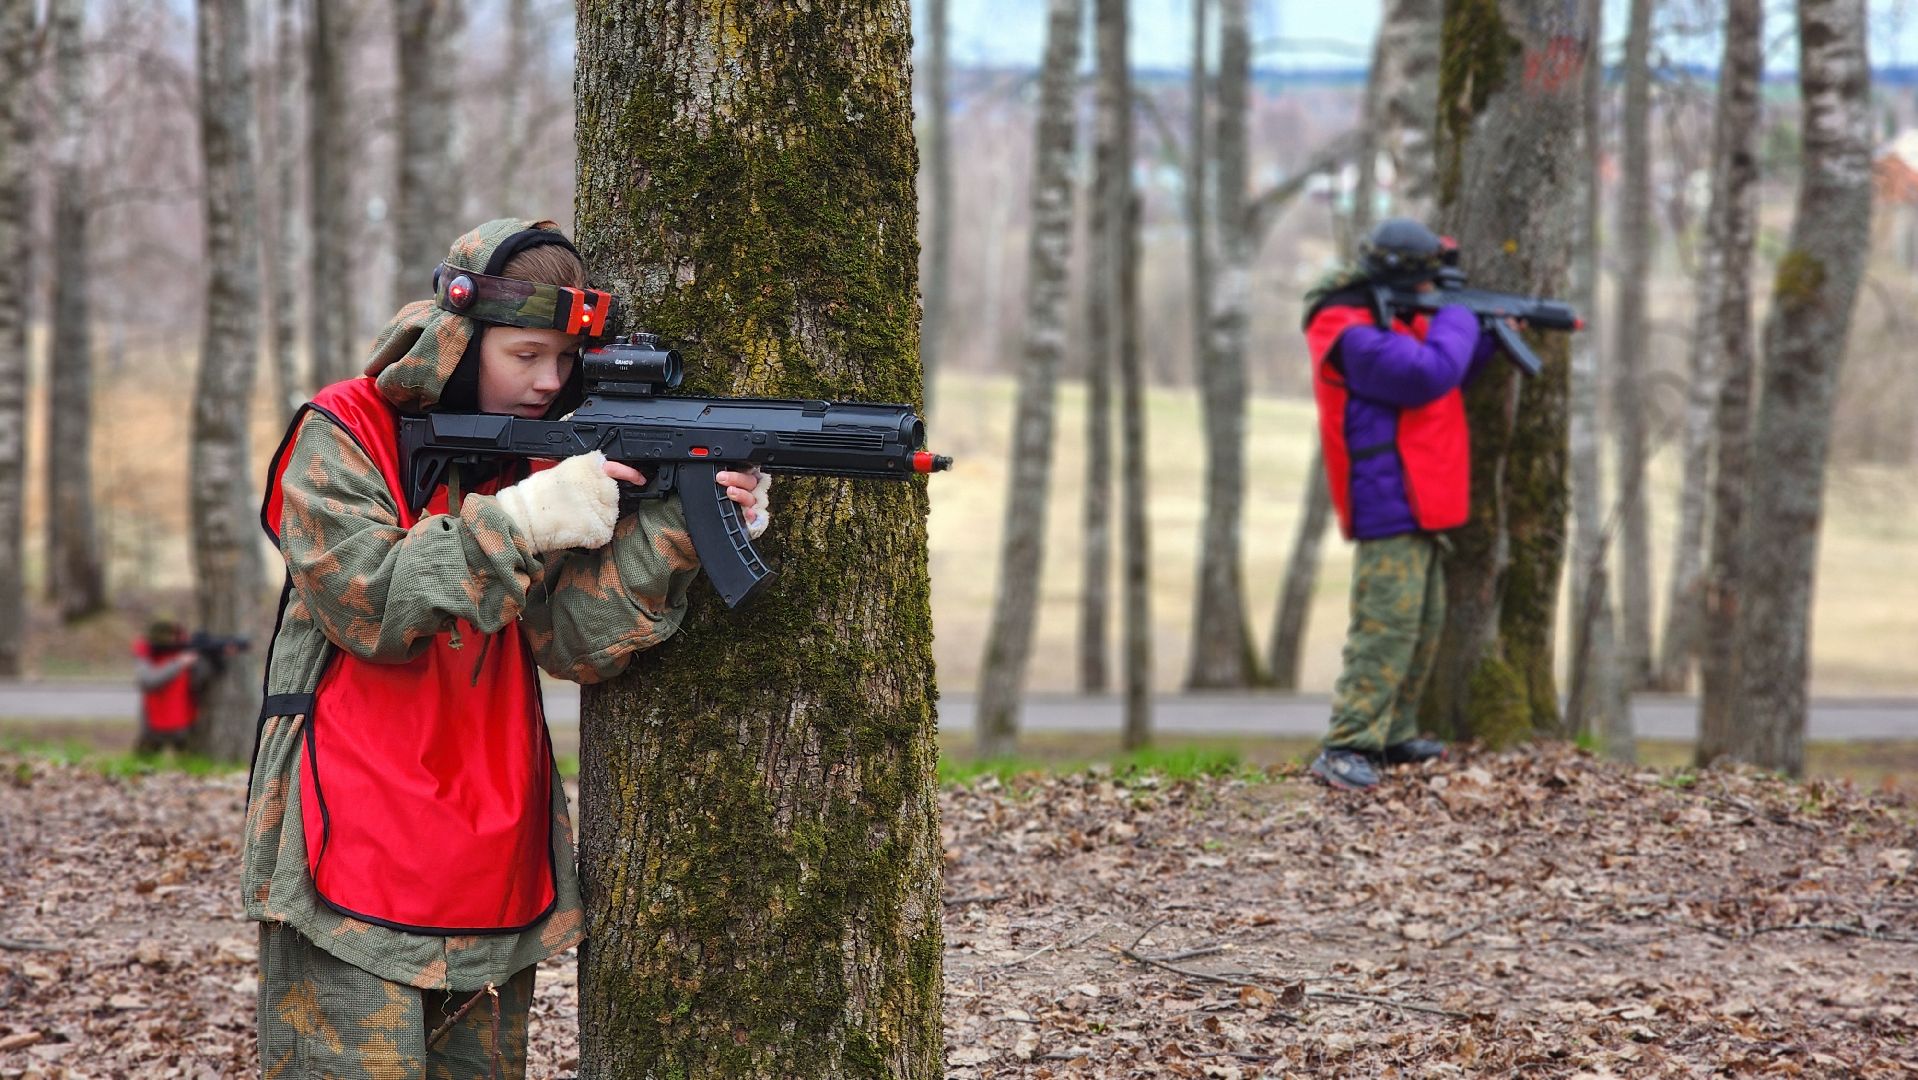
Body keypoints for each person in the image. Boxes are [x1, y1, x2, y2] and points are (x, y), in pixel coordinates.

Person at [243, 218, 769, 1077]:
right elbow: (365, 599)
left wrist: (680, 525)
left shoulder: (536, 456)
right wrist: (522, 519)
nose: (547, 381)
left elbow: (572, 640)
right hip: (347, 842)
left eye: (564, 360)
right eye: (526, 353)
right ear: (459, 334)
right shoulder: (341, 432)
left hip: (491, 855)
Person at [1300, 218, 1497, 792]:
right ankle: (1346, 742)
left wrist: (1484, 332)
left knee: (1423, 620)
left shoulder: (1388, 316)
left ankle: (1391, 734)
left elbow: (1452, 368)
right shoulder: (1345, 327)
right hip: (1386, 490)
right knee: (1385, 624)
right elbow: (1423, 374)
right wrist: (1461, 317)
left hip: (1421, 490)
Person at [132, 621, 202, 755]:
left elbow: (200, 681)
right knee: (143, 762)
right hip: (154, 723)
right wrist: (178, 663)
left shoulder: (186, 650)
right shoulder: (147, 652)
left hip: (184, 721)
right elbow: (148, 680)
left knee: (190, 763)